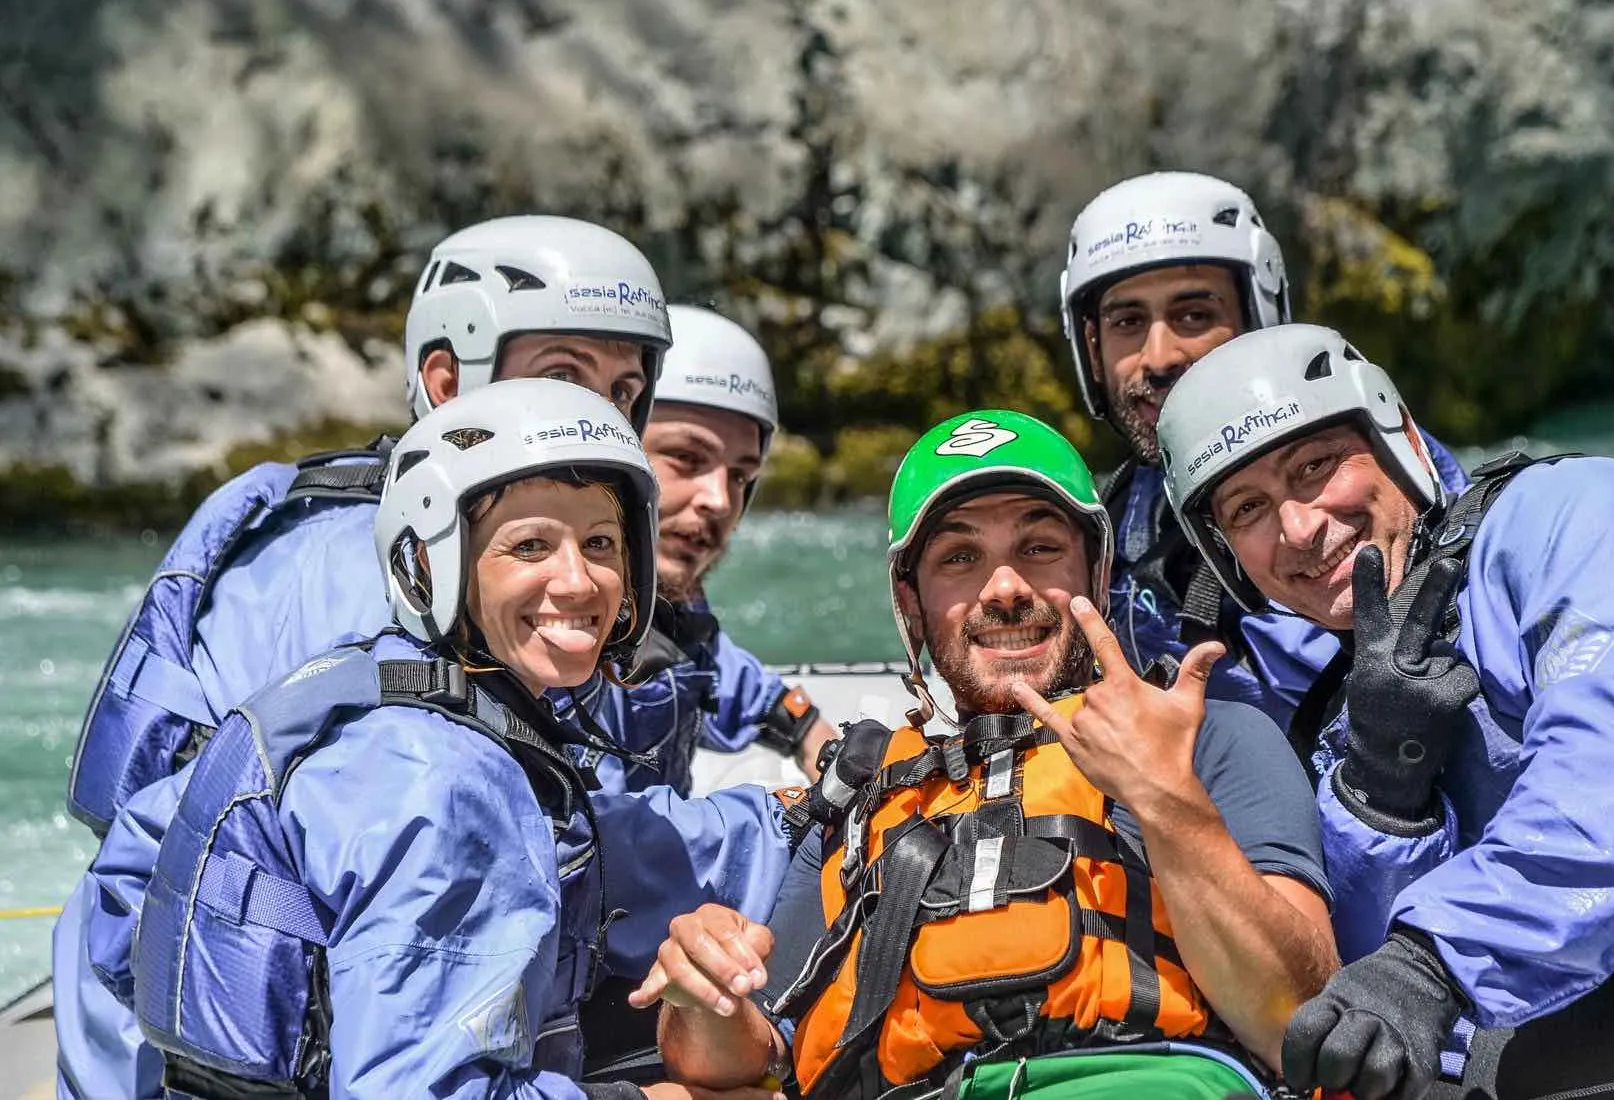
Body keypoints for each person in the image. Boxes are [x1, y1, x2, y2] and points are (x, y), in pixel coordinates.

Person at [55, 218, 789, 1099]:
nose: (599, 414)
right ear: (445, 380)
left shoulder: (445, 599)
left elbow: (580, 821)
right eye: (563, 377)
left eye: (624, 391)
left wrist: (797, 802)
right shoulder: (384, 631)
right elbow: (493, 848)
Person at [1153, 322, 1614, 1099]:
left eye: (1315, 467)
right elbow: (1379, 984)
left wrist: (1432, 962)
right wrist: (1383, 798)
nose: (1298, 528)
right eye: (1248, 508)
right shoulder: (1348, 703)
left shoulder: (1575, 514)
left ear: (1397, 443)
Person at [633, 410, 1340, 1099]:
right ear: (912, 604)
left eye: (1040, 548)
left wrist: (1165, 800)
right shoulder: (862, 795)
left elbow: (1297, 1019)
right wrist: (703, 993)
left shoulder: (1212, 740)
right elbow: (742, 1059)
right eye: (960, 558)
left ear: (1095, 577)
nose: (1004, 589)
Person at [1058, 171, 1469, 728]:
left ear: (1259, 318)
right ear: (1092, 350)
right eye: (1127, 322)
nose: (1159, 357)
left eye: (1194, 316)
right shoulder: (1113, 515)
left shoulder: (1388, 477)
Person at [593, 304, 838, 799]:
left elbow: (731, 679)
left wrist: (818, 738)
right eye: (686, 458)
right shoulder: (552, 626)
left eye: (741, 476)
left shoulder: (668, 606)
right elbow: (597, 831)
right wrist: (783, 817)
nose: (721, 500)